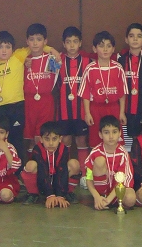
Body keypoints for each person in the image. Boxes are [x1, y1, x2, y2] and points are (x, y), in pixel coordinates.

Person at [0, 30, 58, 166]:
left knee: (16, 139)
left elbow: (34, 46)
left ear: (13, 49)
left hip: (16, 105)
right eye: (0, 47)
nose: (4, 50)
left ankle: (18, 170)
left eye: (7, 47)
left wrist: (52, 50)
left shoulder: (18, 57)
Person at [78, 31, 128, 148]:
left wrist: (121, 112)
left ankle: (115, 160)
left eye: (108, 46)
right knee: (96, 141)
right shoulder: (90, 69)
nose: (105, 49)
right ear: (94, 49)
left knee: (114, 140)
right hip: (96, 109)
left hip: (113, 108)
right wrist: (87, 113)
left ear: (113, 49)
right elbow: (85, 94)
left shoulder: (118, 68)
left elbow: (122, 93)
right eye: (101, 46)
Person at [55, 26, 91, 176]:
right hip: (63, 111)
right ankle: (66, 172)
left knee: (82, 141)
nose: (72, 45)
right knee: (65, 140)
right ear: (63, 44)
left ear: (80, 43)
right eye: (68, 42)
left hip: (82, 110)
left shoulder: (87, 61)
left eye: (75, 41)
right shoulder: (57, 61)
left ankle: (85, 174)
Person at [21, 121, 81, 206]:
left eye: (54, 139)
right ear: (41, 139)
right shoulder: (37, 149)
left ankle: (67, 193)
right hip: (41, 181)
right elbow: (42, 171)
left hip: (58, 180)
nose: (51, 143)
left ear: (60, 139)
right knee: (30, 165)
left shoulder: (63, 150)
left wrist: (60, 195)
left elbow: (62, 172)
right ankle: (33, 194)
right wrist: (50, 195)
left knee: (74, 164)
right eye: (47, 139)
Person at [85, 116, 136, 210]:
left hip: (117, 192)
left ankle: (114, 203)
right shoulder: (95, 152)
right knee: (99, 161)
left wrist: (108, 200)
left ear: (120, 133)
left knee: (130, 198)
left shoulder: (123, 153)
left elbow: (122, 181)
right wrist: (96, 196)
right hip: (100, 194)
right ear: (100, 134)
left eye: (114, 132)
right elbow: (88, 178)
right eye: (106, 132)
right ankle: (100, 199)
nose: (111, 136)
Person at [22, 23, 58, 157]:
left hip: (46, 102)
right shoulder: (22, 60)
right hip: (28, 102)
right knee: (29, 138)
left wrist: (52, 50)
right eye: (31, 39)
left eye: (39, 39)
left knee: (42, 136)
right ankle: (31, 165)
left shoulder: (51, 58)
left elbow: (58, 74)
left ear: (45, 41)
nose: (35, 43)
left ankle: (43, 164)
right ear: (27, 41)